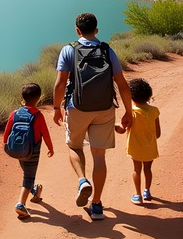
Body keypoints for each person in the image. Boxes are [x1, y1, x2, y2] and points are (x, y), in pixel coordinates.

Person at [53, 12, 133, 220]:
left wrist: (55, 108)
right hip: (105, 109)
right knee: (99, 155)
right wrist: (128, 111)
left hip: (77, 108)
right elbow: (122, 85)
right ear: (96, 30)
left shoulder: (69, 50)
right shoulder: (106, 50)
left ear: (77, 30)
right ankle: (96, 205)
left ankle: (82, 181)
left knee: (74, 146)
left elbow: (60, 83)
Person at [3, 82, 54, 219]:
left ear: (23, 97)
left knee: (27, 172)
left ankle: (34, 190)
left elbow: (6, 133)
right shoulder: (38, 115)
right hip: (33, 151)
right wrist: (50, 147)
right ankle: (21, 204)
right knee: (28, 177)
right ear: (39, 98)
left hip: (18, 150)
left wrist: (7, 146)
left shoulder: (14, 113)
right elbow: (45, 133)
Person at [119, 77, 160, 204]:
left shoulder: (131, 113)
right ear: (148, 95)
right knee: (147, 169)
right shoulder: (154, 111)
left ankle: (138, 195)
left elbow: (122, 129)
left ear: (131, 97)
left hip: (135, 147)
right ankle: (147, 191)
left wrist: (114, 126)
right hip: (150, 147)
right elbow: (158, 133)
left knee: (137, 169)